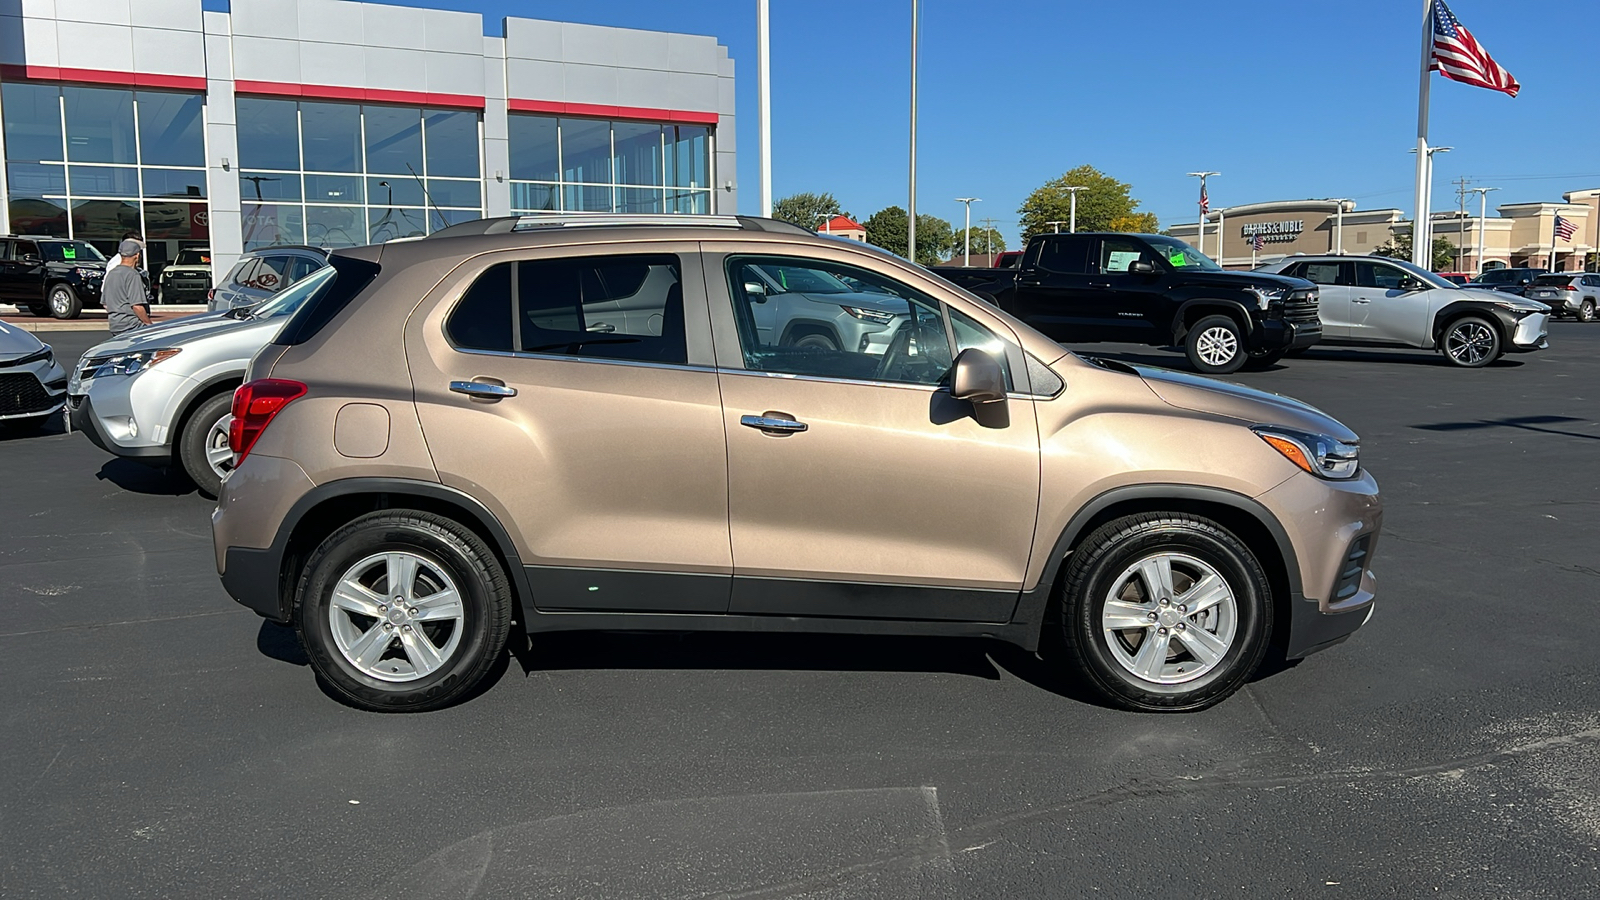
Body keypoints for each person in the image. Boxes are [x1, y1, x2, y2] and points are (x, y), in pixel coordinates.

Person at [103, 239, 154, 336]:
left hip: (115, 326)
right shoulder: (133, 275)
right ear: (137, 255)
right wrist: (149, 324)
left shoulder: (111, 274)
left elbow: (105, 304)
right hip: (132, 326)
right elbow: (137, 306)